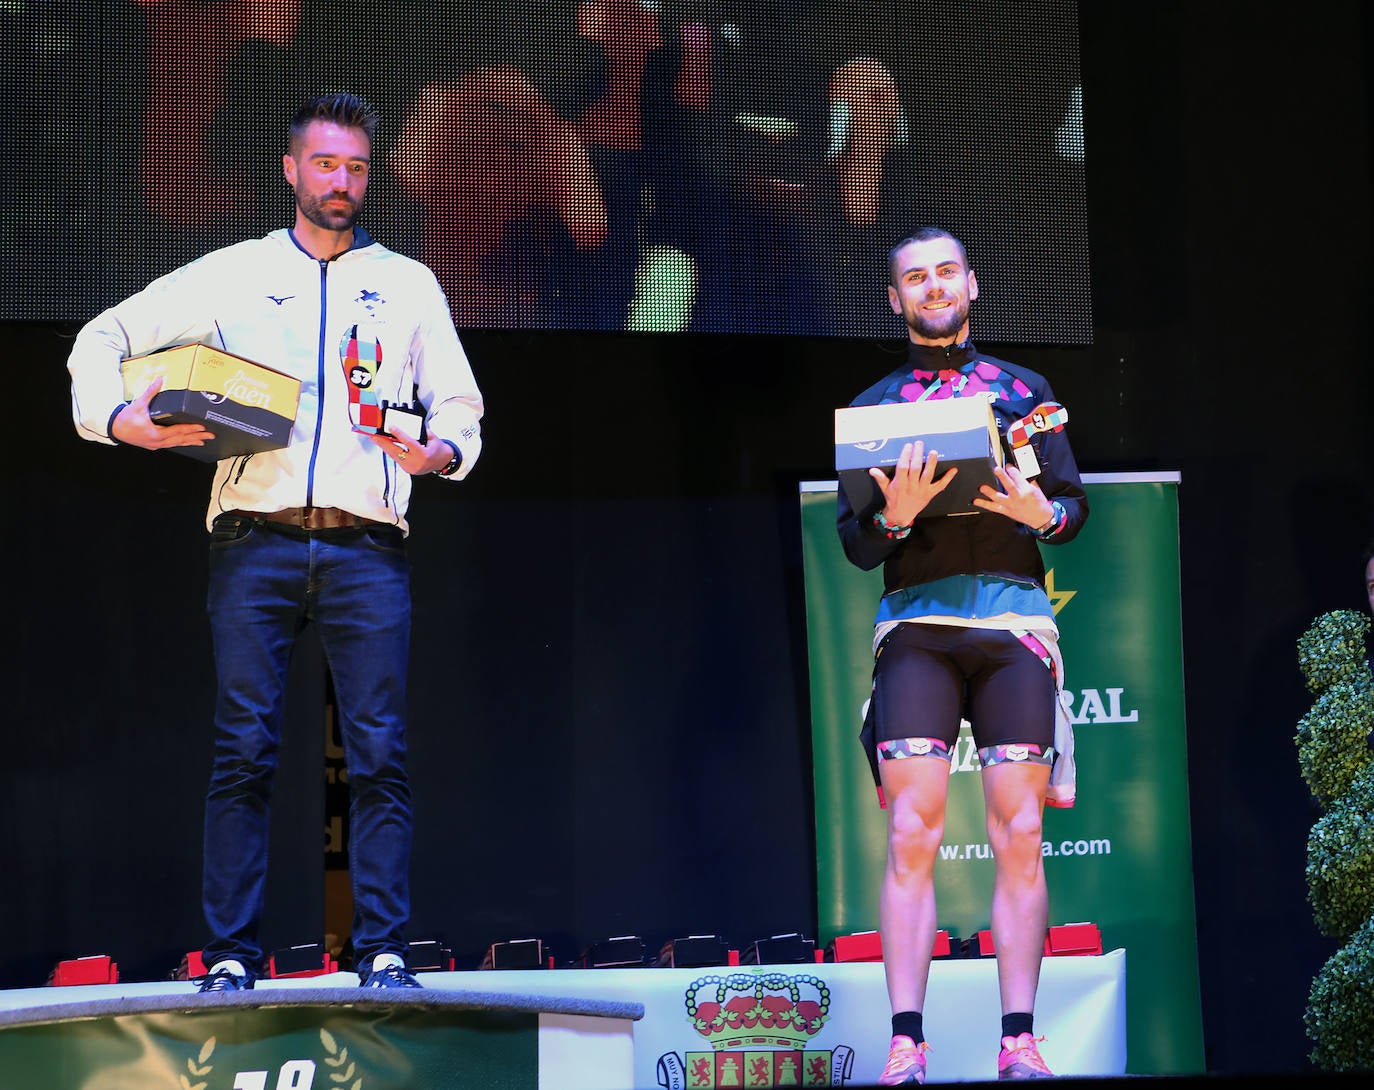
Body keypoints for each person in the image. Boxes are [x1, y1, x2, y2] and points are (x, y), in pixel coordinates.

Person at [67, 92, 484, 992]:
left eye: (358, 167)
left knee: (380, 755)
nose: (342, 181)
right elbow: (102, 338)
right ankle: (228, 957)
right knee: (242, 752)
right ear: (290, 170)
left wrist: (439, 450)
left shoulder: (407, 283)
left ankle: (381, 949)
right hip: (252, 541)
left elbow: (460, 408)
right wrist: (115, 420)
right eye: (326, 164)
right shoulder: (231, 273)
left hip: (366, 546)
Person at [836, 227, 1087, 1083]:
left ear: (972, 284)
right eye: (916, 277)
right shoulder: (874, 408)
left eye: (946, 271)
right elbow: (858, 545)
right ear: (895, 298)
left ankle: (1019, 1039)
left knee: (1020, 833)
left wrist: (1038, 516)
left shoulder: (1028, 390)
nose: (933, 286)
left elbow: (1072, 509)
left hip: (1015, 627)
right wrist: (896, 516)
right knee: (912, 831)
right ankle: (907, 1040)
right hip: (917, 629)